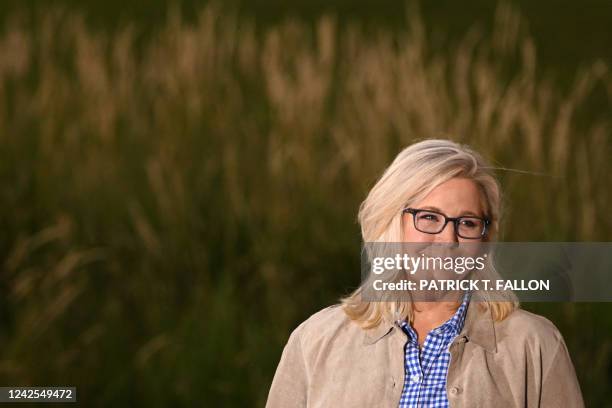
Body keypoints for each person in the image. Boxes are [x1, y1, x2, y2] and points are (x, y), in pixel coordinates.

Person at [265, 139, 584, 407]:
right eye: (429, 218)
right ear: (391, 223)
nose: (449, 240)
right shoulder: (314, 342)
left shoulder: (535, 346)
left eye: (468, 223)